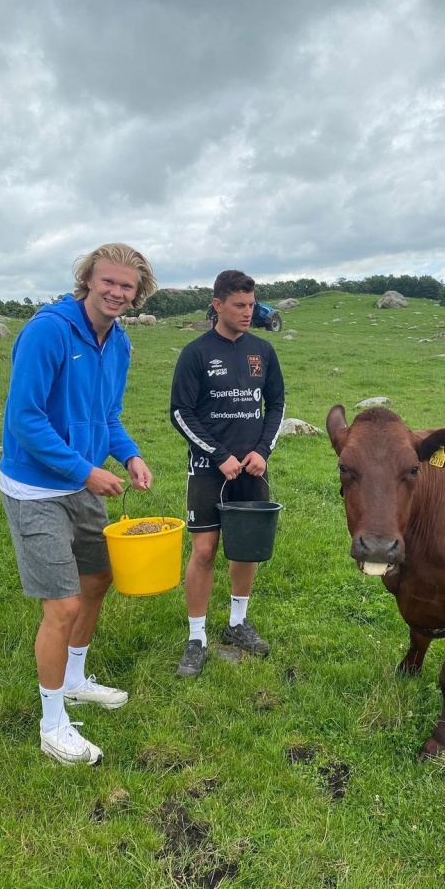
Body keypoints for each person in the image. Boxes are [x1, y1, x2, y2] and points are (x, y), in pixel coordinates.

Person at [0, 243, 156, 765]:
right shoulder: (49, 330)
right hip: (36, 488)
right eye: (106, 281)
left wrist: (128, 455)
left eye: (126, 286)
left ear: (137, 295)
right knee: (62, 605)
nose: (115, 292)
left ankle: (73, 679)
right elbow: (25, 418)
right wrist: (86, 471)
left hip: (82, 484)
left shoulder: (121, 345)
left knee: (97, 580)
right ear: (86, 280)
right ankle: (52, 725)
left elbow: (107, 415)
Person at [170, 269, 286, 678]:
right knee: (204, 551)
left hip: (252, 468)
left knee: (245, 547)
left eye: (251, 305)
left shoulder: (263, 351)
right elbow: (180, 413)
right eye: (239, 305)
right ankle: (196, 636)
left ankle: (237, 623)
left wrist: (262, 450)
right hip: (208, 468)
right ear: (217, 304)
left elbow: (276, 406)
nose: (247, 312)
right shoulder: (196, 353)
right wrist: (218, 455)